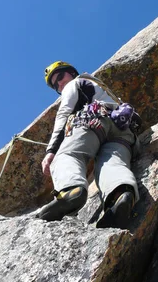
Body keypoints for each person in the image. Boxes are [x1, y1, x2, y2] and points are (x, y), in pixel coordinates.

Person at [38, 61, 139, 228]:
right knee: (111, 162)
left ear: (71, 73)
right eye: (56, 85)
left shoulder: (76, 83)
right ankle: (120, 194)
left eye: (61, 77)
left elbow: (64, 113)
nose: (60, 84)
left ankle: (70, 189)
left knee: (67, 156)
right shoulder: (105, 92)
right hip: (124, 131)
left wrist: (51, 151)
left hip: (93, 119)